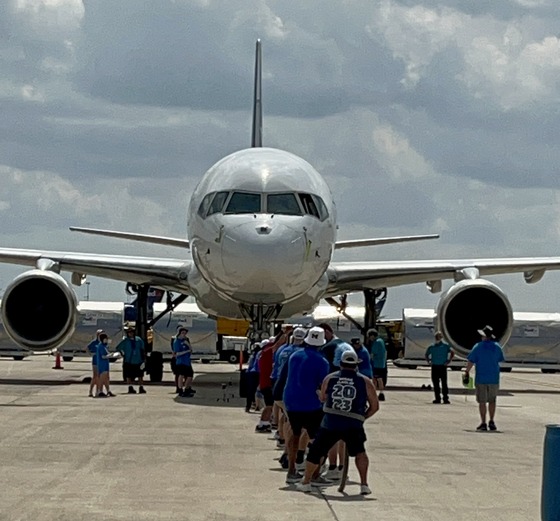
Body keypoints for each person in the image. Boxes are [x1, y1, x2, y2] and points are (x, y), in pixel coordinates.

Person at [296, 350, 379, 495]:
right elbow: (375, 406)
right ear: (356, 365)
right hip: (354, 423)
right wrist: (362, 417)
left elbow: (322, 398)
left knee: (316, 451)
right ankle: (364, 484)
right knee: (360, 452)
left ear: (340, 364)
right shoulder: (365, 381)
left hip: (331, 421)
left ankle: (306, 481)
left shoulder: (330, 378)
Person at [283, 326, 330, 484]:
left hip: (290, 399)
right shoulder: (322, 361)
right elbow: (322, 385)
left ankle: (291, 469)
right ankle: (315, 473)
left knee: (295, 434)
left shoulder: (294, 355)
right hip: (310, 403)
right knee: (316, 439)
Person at [465, 325, 505, 431]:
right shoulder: (497, 347)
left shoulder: (478, 347)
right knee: (492, 400)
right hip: (493, 378)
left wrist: (466, 372)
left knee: (482, 401)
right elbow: (500, 359)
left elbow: (471, 361)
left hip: (481, 377)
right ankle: (491, 421)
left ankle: (483, 422)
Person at [425, 331, 454, 404]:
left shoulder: (445, 346)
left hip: (442, 366)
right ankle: (438, 398)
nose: (438, 338)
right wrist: (429, 361)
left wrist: (449, 361)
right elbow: (426, 354)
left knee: (443, 383)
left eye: (439, 337)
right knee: (436, 383)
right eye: (437, 337)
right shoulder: (432, 346)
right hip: (435, 366)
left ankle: (445, 398)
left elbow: (452, 352)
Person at [115, 326, 147, 394]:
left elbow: (142, 349)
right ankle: (130, 387)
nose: (130, 334)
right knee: (128, 375)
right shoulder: (125, 341)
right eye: (129, 332)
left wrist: (144, 359)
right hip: (129, 361)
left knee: (140, 375)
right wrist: (123, 354)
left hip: (138, 360)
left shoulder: (139, 340)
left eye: (131, 332)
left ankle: (141, 387)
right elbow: (118, 348)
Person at [173, 327, 195, 397]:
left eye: (185, 333)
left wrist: (188, 345)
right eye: (182, 333)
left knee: (190, 375)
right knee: (181, 375)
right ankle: (180, 389)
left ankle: (187, 388)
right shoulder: (177, 341)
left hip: (187, 361)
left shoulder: (185, 341)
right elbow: (177, 353)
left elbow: (191, 350)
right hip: (181, 361)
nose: (184, 335)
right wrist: (186, 351)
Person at [368, 329, 387, 401]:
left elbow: (372, 354)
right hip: (382, 363)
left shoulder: (376, 342)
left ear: (372, 336)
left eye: (370, 337)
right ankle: (381, 393)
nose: (370, 339)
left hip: (376, 364)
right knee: (380, 379)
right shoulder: (381, 341)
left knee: (374, 379)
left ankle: (374, 394)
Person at [95, 333, 115, 398]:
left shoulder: (104, 346)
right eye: (106, 339)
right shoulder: (100, 346)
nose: (106, 340)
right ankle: (99, 391)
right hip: (102, 364)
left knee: (106, 378)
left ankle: (108, 390)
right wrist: (109, 356)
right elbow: (103, 356)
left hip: (105, 364)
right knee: (102, 378)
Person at [86, 329, 104, 397]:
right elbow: (87, 348)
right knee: (95, 376)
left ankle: (98, 391)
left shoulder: (103, 343)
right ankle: (91, 391)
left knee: (100, 377)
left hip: (102, 361)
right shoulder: (94, 342)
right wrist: (91, 354)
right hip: (95, 361)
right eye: (100, 334)